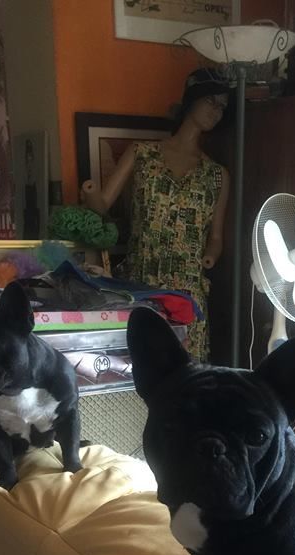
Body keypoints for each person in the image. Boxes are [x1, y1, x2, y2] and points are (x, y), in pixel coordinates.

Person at [81, 68, 231, 361]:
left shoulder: (217, 175)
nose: (216, 111)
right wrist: (91, 194)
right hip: (141, 287)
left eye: (222, 107)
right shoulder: (142, 154)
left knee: (187, 375)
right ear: (192, 100)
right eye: (211, 101)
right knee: (137, 370)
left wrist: (210, 256)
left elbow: (216, 236)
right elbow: (103, 205)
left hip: (187, 296)